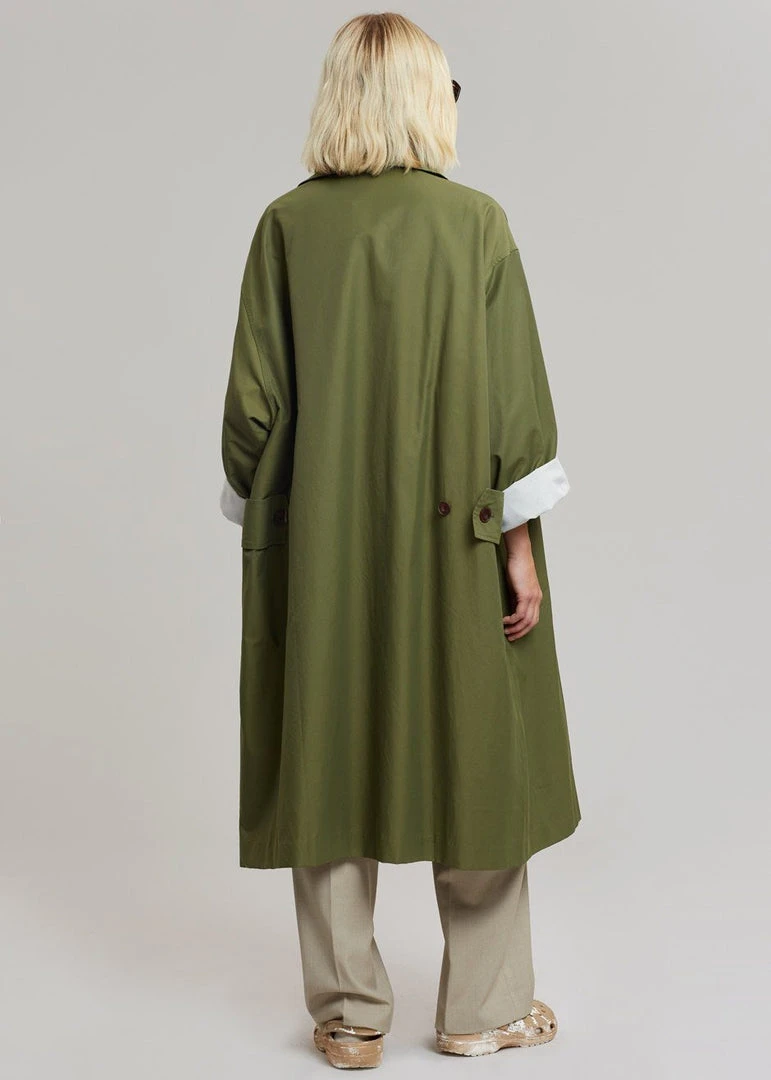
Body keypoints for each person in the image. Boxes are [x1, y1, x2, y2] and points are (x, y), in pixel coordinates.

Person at [219, 11, 580, 1068]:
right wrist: (519, 551)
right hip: (458, 543)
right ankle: (483, 1010)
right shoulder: (476, 225)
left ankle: (347, 1016)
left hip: (321, 552)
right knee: (480, 754)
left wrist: (277, 523)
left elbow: (252, 411)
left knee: (325, 752)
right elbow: (516, 410)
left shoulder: (287, 226)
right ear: (425, 100)